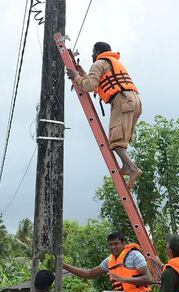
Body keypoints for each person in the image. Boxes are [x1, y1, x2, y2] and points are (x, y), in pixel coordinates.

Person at [66, 41, 143, 190]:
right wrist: (83, 74)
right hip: (135, 101)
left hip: (122, 100)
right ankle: (126, 166)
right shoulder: (112, 62)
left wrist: (76, 77)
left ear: (98, 52)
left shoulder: (98, 63)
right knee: (122, 139)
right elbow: (100, 83)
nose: (91, 55)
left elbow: (89, 86)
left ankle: (132, 168)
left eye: (93, 51)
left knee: (115, 140)